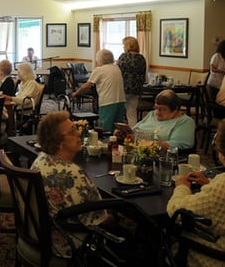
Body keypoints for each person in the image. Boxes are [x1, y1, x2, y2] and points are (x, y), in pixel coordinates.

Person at [167, 117, 225, 266]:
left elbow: (177, 211)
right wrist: (209, 182)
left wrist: (182, 186)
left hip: (220, 258)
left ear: (222, 153)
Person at [31, 111, 108, 257]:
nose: (79, 134)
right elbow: (99, 219)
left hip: (41, 233)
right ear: (59, 143)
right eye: (72, 131)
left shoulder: (41, 160)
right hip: (69, 243)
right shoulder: (71, 174)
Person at [73, 49, 125, 133]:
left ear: (99, 59)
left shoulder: (99, 70)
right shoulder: (116, 68)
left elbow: (87, 85)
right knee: (118, 127)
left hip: (108, 101)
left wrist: (76, 93)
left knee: (105, 127)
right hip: (121, 100)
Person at [117, 36, 147, 127]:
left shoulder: (124, 57)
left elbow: (118, 72)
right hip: (136, 89)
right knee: (132, 113)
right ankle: (133, 132)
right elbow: (143, 75)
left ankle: (119, 133)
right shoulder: (141, 58)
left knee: (119, 112)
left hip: (123, 88)